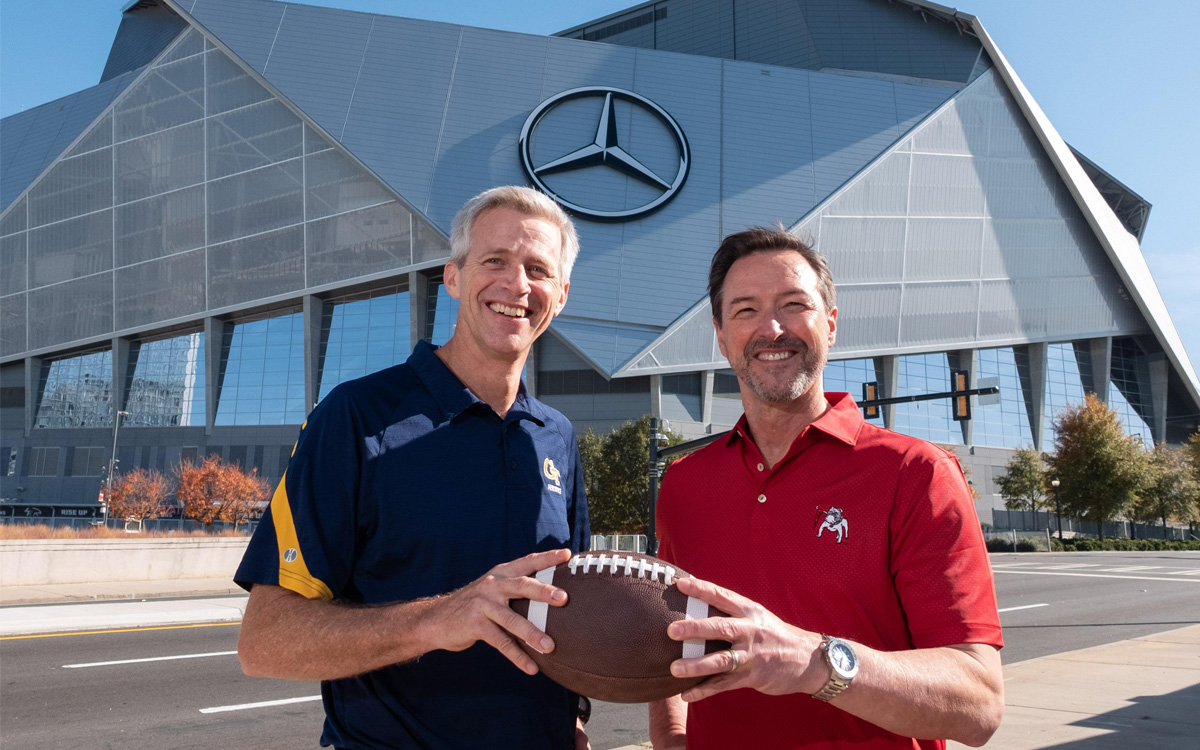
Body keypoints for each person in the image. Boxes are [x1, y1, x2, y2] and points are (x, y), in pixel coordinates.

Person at [235, 186, 592, 749]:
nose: (517, 285)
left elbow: (567, 612)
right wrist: (440, 619)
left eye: (538, 269)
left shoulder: (557, 437)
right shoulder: (355, 418)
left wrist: (572, 718)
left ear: (562, 294)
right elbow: (264, 640)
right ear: (453, 277)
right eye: (494, 260)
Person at [649, 227, 1005, 750]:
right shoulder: (683, 484)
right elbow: (671, 638)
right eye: (746, 310)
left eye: (794, 305)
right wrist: (672, 735)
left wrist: (813, 663)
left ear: (830, 325)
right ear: (722, 337)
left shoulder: (917, 473)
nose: (772, 328)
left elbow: (979, 705)